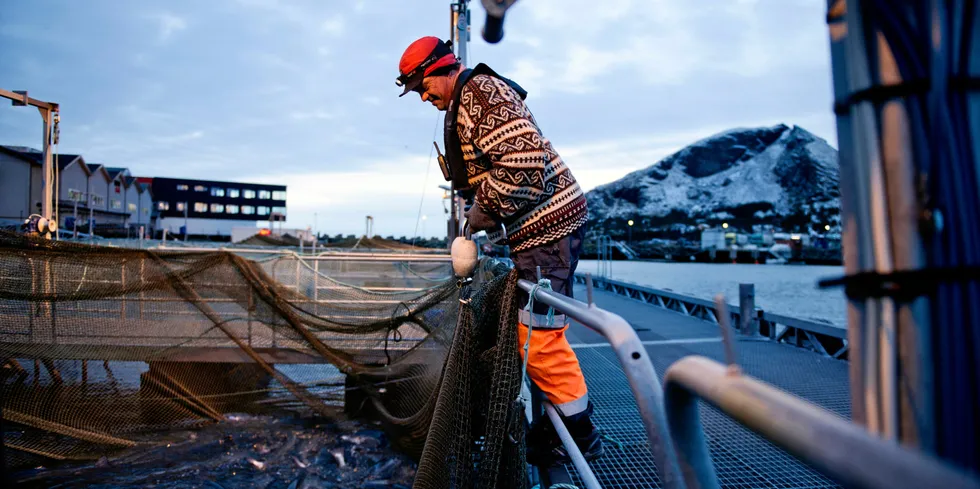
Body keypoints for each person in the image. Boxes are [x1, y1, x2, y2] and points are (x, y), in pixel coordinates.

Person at [395, 36, 602, 466]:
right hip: (538, 234)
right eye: (415, 91)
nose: (423, 96)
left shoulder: (480, 95)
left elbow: (525, 166)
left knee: (539, 336)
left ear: (442, 69)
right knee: (533, 331)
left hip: (551, 231)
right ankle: (553, 423)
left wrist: (481, 213)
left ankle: (578, 435)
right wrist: (490, 221)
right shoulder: (469, 100)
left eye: (422, 86)